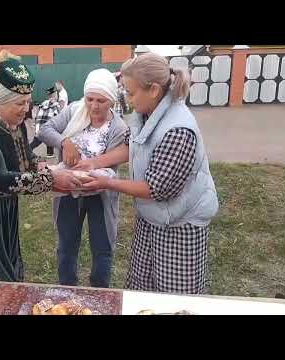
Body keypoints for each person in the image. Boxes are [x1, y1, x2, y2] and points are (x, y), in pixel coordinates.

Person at [75, 53, 219, 294]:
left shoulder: (178, 130)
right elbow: (132, 145)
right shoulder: (146, 113)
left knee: (174, 298)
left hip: (179, 225)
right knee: (143, 289)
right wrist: (93, 162)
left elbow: (155, 189)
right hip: (153, 218)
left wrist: (107, 182)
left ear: (153, 90)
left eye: (131, 93)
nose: (128, 100)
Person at [0, 50, 83, 282]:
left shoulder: (17, 124)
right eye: (19, 103)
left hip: (4, 205)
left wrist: (46, 168)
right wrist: (52, 180)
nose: (26, 108)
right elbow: (2, 178)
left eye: (28, 102)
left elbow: (24, 157)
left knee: (8, 260)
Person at [38, 69, 128, 288]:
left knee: (102, 246)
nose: (94, 106)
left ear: (112, 101)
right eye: (90, 99)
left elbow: (121, 156)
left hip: (100, 194)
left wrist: (94, 168)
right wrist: (65, 142)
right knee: (67, 243)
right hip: (68, 190)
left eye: (101, 100)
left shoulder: (118, 127)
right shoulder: (73, 111)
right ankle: (67, 289)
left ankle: (100, 291)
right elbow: (45, 130)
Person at [29, 86, 61, 157]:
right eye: (56, 94)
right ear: (55, 95)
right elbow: (57, 116)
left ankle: (50, 153)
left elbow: (38, 113)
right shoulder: (56, 105)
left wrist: (35, 123)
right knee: (41, 140)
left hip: (40, 125)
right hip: (47, 126)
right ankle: (28, 150)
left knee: (42, 139)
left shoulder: (43, 103)